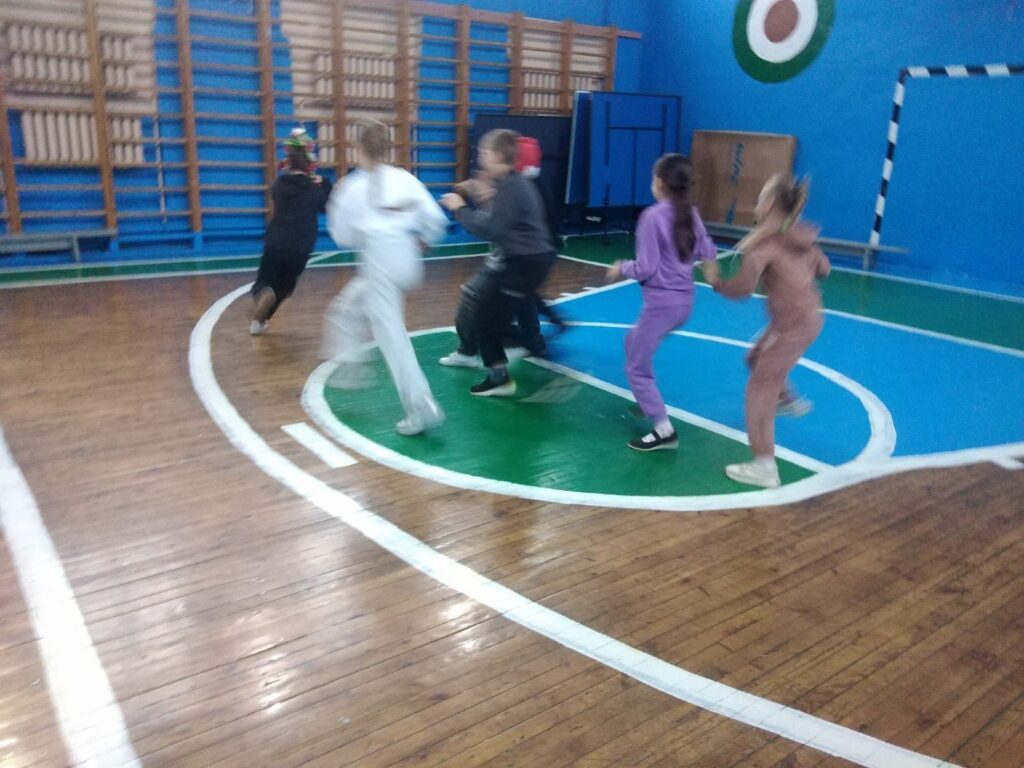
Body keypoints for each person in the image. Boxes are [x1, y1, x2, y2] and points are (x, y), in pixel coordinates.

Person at [321, 120, 448, 436]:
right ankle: (351, 365)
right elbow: (436, 220)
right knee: (346, 309)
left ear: (358, 148)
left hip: (380, 261)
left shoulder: (351, 187)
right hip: (407, 259)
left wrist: (368, 229)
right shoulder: (405, 179)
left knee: (392, 337)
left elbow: (343, 236)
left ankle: (421, 406)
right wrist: (424, 238)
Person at [710, 173, 831, 487]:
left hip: (792, 327)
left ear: (771, 202)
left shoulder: (764, 246)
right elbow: (825, 270)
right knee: (754, 359)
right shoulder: (799, 237)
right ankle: (787, 400)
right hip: (806, 320)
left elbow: (741, 290)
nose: (757, 203)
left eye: (761, 196)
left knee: (759, 387)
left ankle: (764, 466)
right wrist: (805, 257)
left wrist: (715, 280)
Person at [606, 154, 719, 451]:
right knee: (633, 341)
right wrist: (713, 275)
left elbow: (646, 267)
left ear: (659, 182)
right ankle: (647, 401)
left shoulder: (652, 217)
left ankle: (663, 430)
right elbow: (707, 251)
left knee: (636, 368)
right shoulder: (690, 213)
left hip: (661, 306)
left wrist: (620, 268)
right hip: (684, 303)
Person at [439, 129, 557, 396]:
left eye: (484, 152)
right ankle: (502, 369)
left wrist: (459, 208)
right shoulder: (509, 184)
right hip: (524, 261)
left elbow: (490, 229)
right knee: (487, 314)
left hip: (525, 263)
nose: (480, 156)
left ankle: (517, 355)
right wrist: (480, 194)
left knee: (488, 316)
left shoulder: (513, 187)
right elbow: (496, 222)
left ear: (498, 155)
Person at [250, 128, 332, 335]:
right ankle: (260, 321)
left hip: (276, 241)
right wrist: (324, 184)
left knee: (265, 280)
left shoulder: (278, 185)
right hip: (301, 246)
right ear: (309, 164)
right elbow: (326, 206)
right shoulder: (314, 189)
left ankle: (261, 303)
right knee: (284, 286)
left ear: (288, 162)